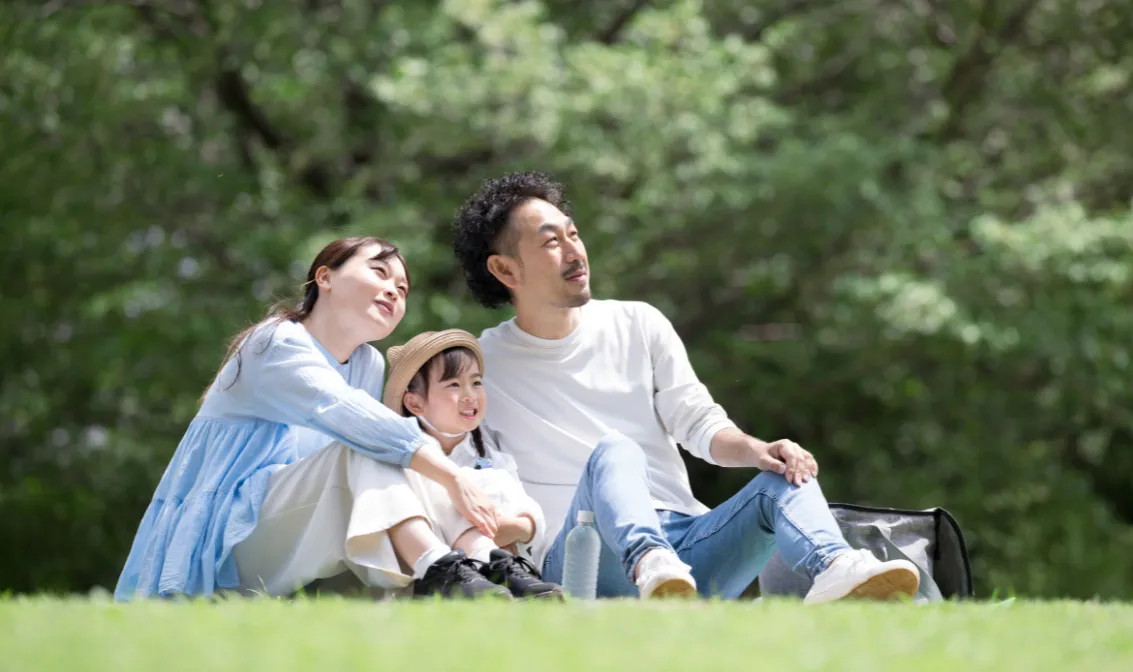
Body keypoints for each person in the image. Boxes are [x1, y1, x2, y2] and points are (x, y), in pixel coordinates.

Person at [451, 172, 922, 602]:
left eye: (573, 234)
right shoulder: (481, 366)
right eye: (551, 242)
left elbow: (697, 422)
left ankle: (837, 567)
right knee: (616, 450)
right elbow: (458, 466)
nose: (575, 252)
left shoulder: (638, 323)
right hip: (582, 558)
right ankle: (648, 561)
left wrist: (759, 451)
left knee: (783, 475)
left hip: (687, 553)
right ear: (506, 271)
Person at [115, 236, 509, 601]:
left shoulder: (367, 363)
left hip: (295, 525)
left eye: (403, 289)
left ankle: (482, 562)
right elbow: (348, 414)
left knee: (379, 455)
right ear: (325, 277)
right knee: (367, 446)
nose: (393, 290)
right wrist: (452, 476)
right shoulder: (275, 341)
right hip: (224, 536)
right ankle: (439, 568)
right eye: (379, 271)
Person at [380, 329, 563, 599]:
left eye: (476, 382)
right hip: (436, 574)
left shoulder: (492, 456)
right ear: (415, 403)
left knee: (492, 479)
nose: (469, 395)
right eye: (453, 385)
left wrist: (517, 527)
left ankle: (505, 575)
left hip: (509, 564)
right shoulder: (403, 465)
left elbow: (530, 519)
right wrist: (489, 525)